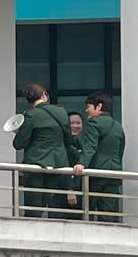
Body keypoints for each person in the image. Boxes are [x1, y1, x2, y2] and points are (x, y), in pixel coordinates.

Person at [13, 83, 75, 220]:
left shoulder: (30, 115)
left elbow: (19, 144)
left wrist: (18, 131)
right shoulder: (61, 112)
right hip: (57, 164)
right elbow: (68, 139)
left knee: (33, 207)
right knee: (50, 203)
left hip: (35, 163)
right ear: (44, 95)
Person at [78, 91, 126, 223]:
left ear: (99, 106)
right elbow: (120, 150)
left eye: (89, 106)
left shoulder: (94, 124)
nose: (86, 110)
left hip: (97, 172)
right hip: (114, 173)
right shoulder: (118, 126)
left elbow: (90, 146)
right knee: (108, 212)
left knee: (90, 209)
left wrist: (82, 163)